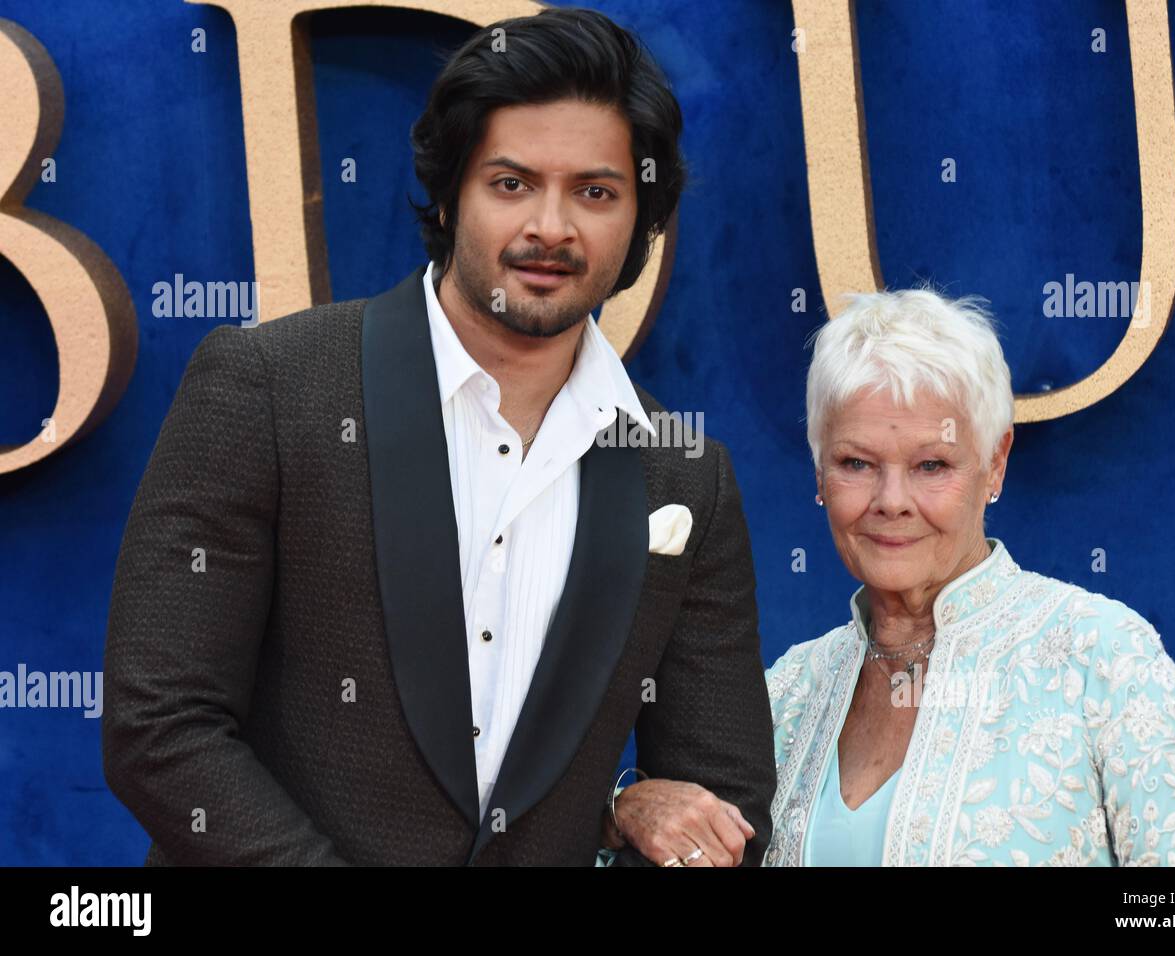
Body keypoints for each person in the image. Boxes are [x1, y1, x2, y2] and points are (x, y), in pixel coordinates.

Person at [102, 6, 775, 866]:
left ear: (645, 216)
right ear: (451, 192)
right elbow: (160, 724)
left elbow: (722, 804)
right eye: (511, 183)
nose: (551, 228)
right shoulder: (271, 386)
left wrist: (624, 813)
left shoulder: (683, 478)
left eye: (595, 192)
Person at [606, 287, 1175, 866]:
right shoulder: (787, 693)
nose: (892, 500)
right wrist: (620, 814)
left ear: (994, 465)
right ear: (819, 475)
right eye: (857, 462)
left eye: (932, 465)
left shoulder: (1103, 658)